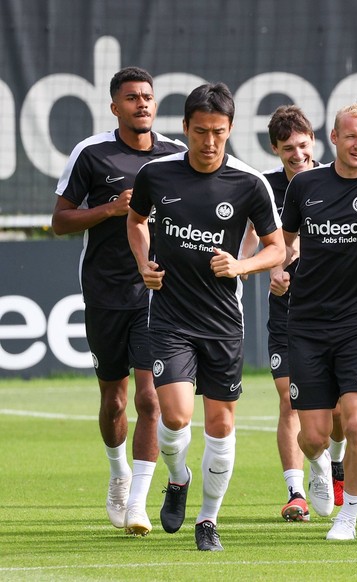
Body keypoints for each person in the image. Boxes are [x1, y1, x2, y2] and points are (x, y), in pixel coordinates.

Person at [127, 82, 285, 551]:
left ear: (231, 129)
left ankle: (208, 520)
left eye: (218, 132)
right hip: (172, 317)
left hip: (222, 322)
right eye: (200, 132)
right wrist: (144, 264)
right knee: (174, 418)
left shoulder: (249, 183)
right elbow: (136, 221)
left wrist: (241, 265)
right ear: (185, 128)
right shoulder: (158, 175)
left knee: (220, 425)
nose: (209, 141)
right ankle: (178, 478)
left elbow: (275, 246)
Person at [51, 66, 186, 537]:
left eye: (148, 97)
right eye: (132, 98)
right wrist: (111, 208)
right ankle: (117, 473)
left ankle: (138, 503)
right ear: (115, 107)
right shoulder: (92, 153)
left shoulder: (176, 156)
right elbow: (60, 221)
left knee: (151, 398)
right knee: (115, 402)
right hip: (106, 293)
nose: (142, 104)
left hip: (157, 295)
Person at [279, 102, 357, 541]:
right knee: (313, 437)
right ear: (333, 138)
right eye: (351, 136)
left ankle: (348, 516)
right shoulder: (305, 185)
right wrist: (279, 268)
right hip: (307, 323)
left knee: (356, 425)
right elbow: (287, 240)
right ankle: (317, 467)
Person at [249, 105, 348, 522]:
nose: (297, 153)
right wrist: (262, 268)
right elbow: (254, 239)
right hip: (287, 312)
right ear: (275, 148)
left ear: (315, 142)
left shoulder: (335, 179)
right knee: (291, 403)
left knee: (338, 412)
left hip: (334, 309)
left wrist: (289, 256)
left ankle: (334, 459)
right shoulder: (264, 189)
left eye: (303, 145)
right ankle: (297, 492)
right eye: (288, 147)